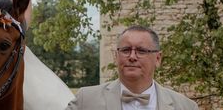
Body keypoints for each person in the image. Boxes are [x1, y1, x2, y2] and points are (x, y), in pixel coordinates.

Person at [65, 25, 199, 110]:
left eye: (141, 51)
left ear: (158, 59)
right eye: (126, 50)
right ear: (116, 56)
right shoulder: (86, 101)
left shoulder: (185, 107)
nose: (132, 56)